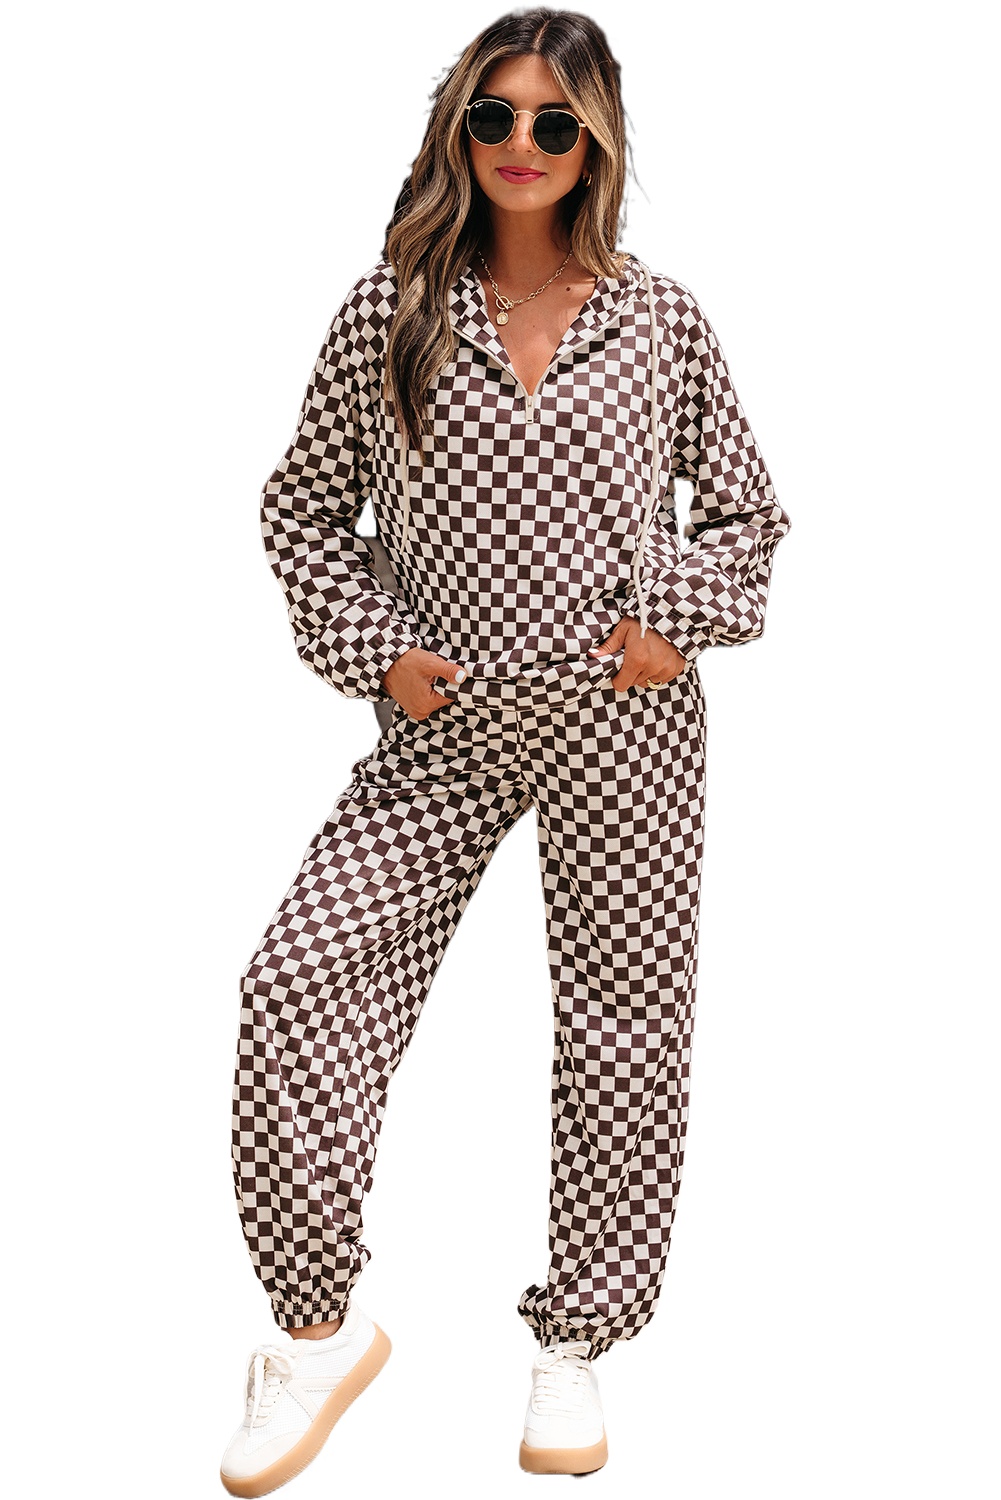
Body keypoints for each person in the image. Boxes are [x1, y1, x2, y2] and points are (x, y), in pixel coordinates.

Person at [220, 7, 791, 1493]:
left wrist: (674, 621)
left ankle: (578, 1338)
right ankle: (316, 1334)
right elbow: (301, 512)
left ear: (596, 139)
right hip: (445, 728)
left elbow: (746, 509)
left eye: (553, 122)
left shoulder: (658, 319)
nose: (521, 145)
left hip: (623, 726)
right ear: (455, 129)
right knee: (300, 979)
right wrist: (376, 654)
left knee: (621, 1026)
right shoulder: (391, 312)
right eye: (494, 116)